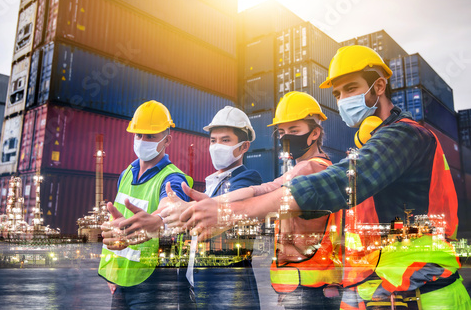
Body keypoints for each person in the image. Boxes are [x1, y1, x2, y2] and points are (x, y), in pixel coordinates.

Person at [181, 46, 471, 309]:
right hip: (378, 294)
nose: (344, 100)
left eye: (351, 89)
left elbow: (340, 182)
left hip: (426, 296)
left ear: (379, 86)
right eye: (338, 94)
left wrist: (233, 213)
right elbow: (264, 189)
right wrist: (209, 205)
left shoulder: (406, 136)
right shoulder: (367, 147)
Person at [184, 93, 342, 309]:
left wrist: (217, 204)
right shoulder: (315, 167)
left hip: (310, 285)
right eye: (283, 132)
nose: (286, 138)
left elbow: (262, 191)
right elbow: (262, 190)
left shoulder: (310, 168)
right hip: (305, 282)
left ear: (314, 133)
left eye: (294, 131)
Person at [160, 106, 263, 309]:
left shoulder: (247, 179)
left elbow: (221, 210)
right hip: (193, 288)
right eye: (213, 141)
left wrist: (186, 210)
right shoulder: (212, 183)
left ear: (244, 147)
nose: (217, 146)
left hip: (227, 291)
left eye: (225, 140)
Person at [98, 100, 193, 310]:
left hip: (154, 281)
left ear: (167, 140)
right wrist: (112, 272)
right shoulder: (125, 174)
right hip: (122, 279)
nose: (143, 140)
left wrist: (157, 219)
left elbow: (170, 205)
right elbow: (118, 223)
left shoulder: (174, 178)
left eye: (151, 136)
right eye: (139, 135)